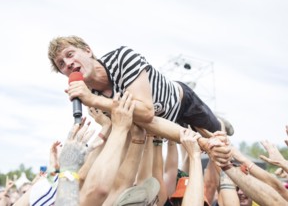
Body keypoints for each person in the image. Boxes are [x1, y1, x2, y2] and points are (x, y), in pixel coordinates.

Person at [47, 36, 226, 141]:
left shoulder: (123, 58)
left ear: (87, 51)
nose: (68, 64)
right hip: (162, 128)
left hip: (182, 102)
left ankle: (221, 121)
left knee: (219, 133)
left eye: (70, 55)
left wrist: (95, 100)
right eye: (61, 64)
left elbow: (146, 111)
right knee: (201, 148)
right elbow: (126, 126)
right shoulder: (90, 99)